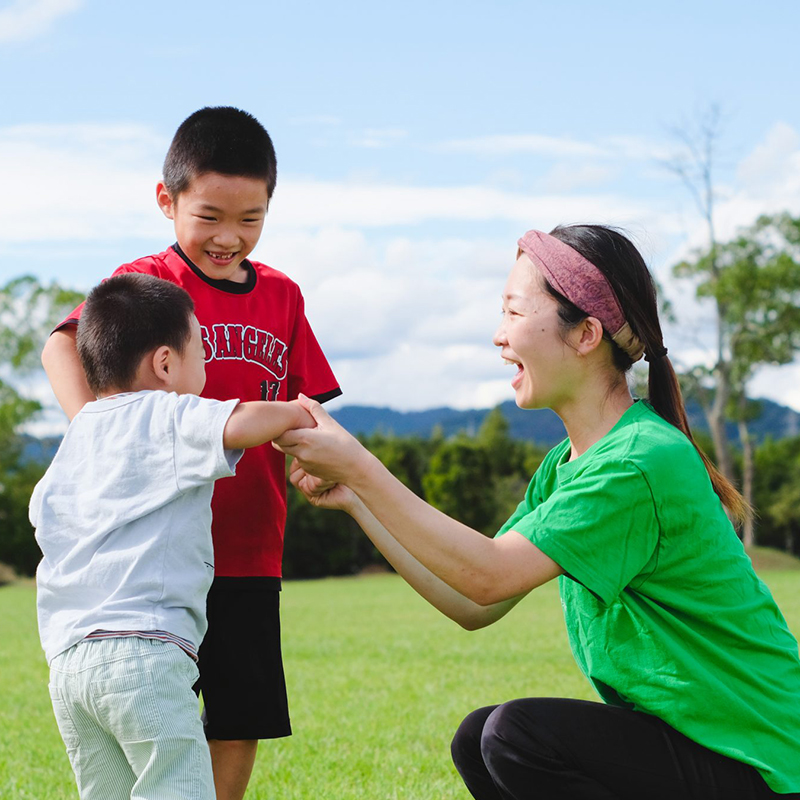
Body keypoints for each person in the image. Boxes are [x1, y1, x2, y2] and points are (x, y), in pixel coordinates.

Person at [275, 224, 800, 799]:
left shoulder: (639, 462)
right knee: (479, 738)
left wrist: (359, 465)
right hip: (700, 748)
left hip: (761, 763)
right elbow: (475, 602)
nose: (499, 337)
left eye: (514, 314)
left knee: (515, 736)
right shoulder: (566, 465)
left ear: (586, 335)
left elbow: (488, 572)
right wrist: (358, 499)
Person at [40, 106, 342, 800]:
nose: (228, 238)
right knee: (150, 715)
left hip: (245, 545)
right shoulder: (145, 284)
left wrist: (312, 462)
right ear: (167, 200)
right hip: (146, 555)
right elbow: (63, 343)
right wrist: (100, 429)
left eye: (251, 219)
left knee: (239, 713)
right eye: (209, 216)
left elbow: (307, 407)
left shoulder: (283, 297)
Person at [32, 273, 317, 800]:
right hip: (144, 655)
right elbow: (242, 423)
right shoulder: (166, 412)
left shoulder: (77, 439)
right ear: (165, 364)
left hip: (70, 664)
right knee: (178, 789)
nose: (207, 369)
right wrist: (298, 412)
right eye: (202, 354)